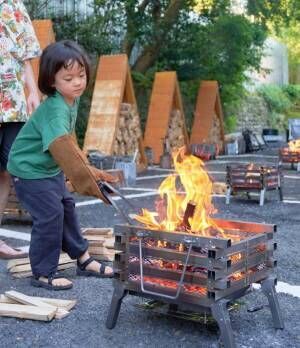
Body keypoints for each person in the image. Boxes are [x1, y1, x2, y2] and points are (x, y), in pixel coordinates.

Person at [7, 40, 118, 290]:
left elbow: (69, 142)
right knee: (50, 216)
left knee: (67, 207)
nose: (77, 82)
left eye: (81, 75)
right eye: (69, 78)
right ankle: (44, 273)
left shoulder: (72, 99)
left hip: (47, 167)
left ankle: (83, 259)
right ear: (51, 81)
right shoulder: (56, 108)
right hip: (29, 170)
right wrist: (87, 179)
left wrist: (90, 169)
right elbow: (61, 146)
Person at [0, 0, 41, 259]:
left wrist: (33, 91)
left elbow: (26, 56)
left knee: (5, 171)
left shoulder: (15, 5)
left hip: (12, 104)